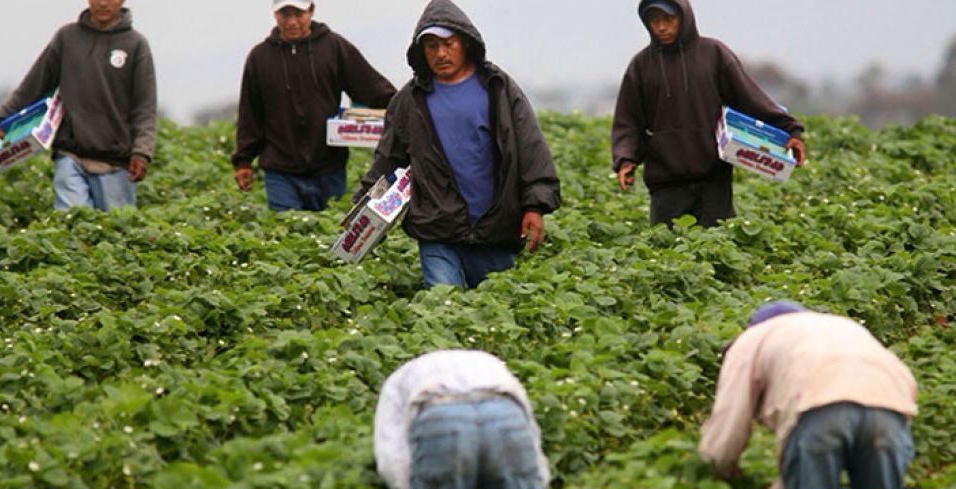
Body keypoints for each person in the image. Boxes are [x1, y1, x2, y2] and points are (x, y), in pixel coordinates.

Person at [354, 0, 561, 288]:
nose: (440, 53)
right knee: (443, 309)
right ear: (420, 52)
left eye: (448, 43)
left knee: (494, 310)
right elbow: (388, 161)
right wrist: (361, 214)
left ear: (465, 43)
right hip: (437, 228)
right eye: (431, 46)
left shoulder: (497, 89)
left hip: (494, 226)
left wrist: (535, 206)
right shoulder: (409, 101)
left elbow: (530, 148)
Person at [699, 301, 918, 489]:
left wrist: (712, 475)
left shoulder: (750, 342)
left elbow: (728, 427)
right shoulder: (839, 328)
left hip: (820, 405)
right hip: (890, 407)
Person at [612, 0, 807, 227]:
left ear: (684, 18)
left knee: (717, 252)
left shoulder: (714, 54)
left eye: (668, 19)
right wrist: (626, 159)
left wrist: (790, 130)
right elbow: (628, 120)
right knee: (669, 254)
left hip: (713, 182)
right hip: (666, 185)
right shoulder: (641, 66)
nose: (662, 27)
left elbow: (750, 98)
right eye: (654, 20)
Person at [0, 0, 157, 212]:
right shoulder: (67, 38)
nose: (103, 3)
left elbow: (145, 106)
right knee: (73, 222)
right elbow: (35, 83)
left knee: (115, 231)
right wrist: (2, 116)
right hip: (70, 153)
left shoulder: (135, 45)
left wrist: (141, 152)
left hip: (115, 160)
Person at [232, 0, 396, 212]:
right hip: (280, 171)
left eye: (298, 14)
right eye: (284, 14)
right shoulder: (260, 58)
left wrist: (403, 107)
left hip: (330, 168)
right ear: (275, 15)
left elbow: (370, 86)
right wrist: (243, 160)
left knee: (331, 234)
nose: (291, 21)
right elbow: (250, 113)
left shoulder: (333, 47)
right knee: (289, 234)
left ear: (310, 10)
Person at [374, 350, 550, 489]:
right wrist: (537, 486)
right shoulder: (488, 361)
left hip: (442, 416)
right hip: (505, 413)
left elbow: (392, 452)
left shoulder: (397, 380)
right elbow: (529, 425)